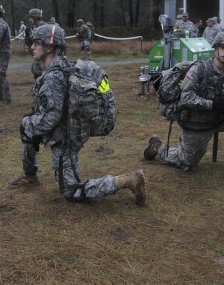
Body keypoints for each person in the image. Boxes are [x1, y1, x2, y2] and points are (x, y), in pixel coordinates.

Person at [9, 23, 147, 206]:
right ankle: (30, 175)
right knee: (27, 127)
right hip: (70, 130)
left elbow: (51, 117)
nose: (32, 47)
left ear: (49, 46)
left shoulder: (53, 77)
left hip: (65, 139)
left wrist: (28, 123)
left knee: (71, 191)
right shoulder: (64, 65)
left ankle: (128, 181)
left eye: (36, 43)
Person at [144, 31, 224, 178]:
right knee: (188, 163)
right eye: (223, 47)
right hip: (197, 124)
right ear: (216, 49)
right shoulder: (199, 69)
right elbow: (186, 97)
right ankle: (158, 147)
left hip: (218, 120)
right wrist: (211, 104)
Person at [24, 8, 46, 80]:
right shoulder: (33, 28)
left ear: (35, 17)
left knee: (44, 75)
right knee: (36, 72)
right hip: (37, 57)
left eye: (30, 17)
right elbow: (30, 44)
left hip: (44, 57)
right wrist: (27, 36)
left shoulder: (44, 27)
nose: (29, 20)